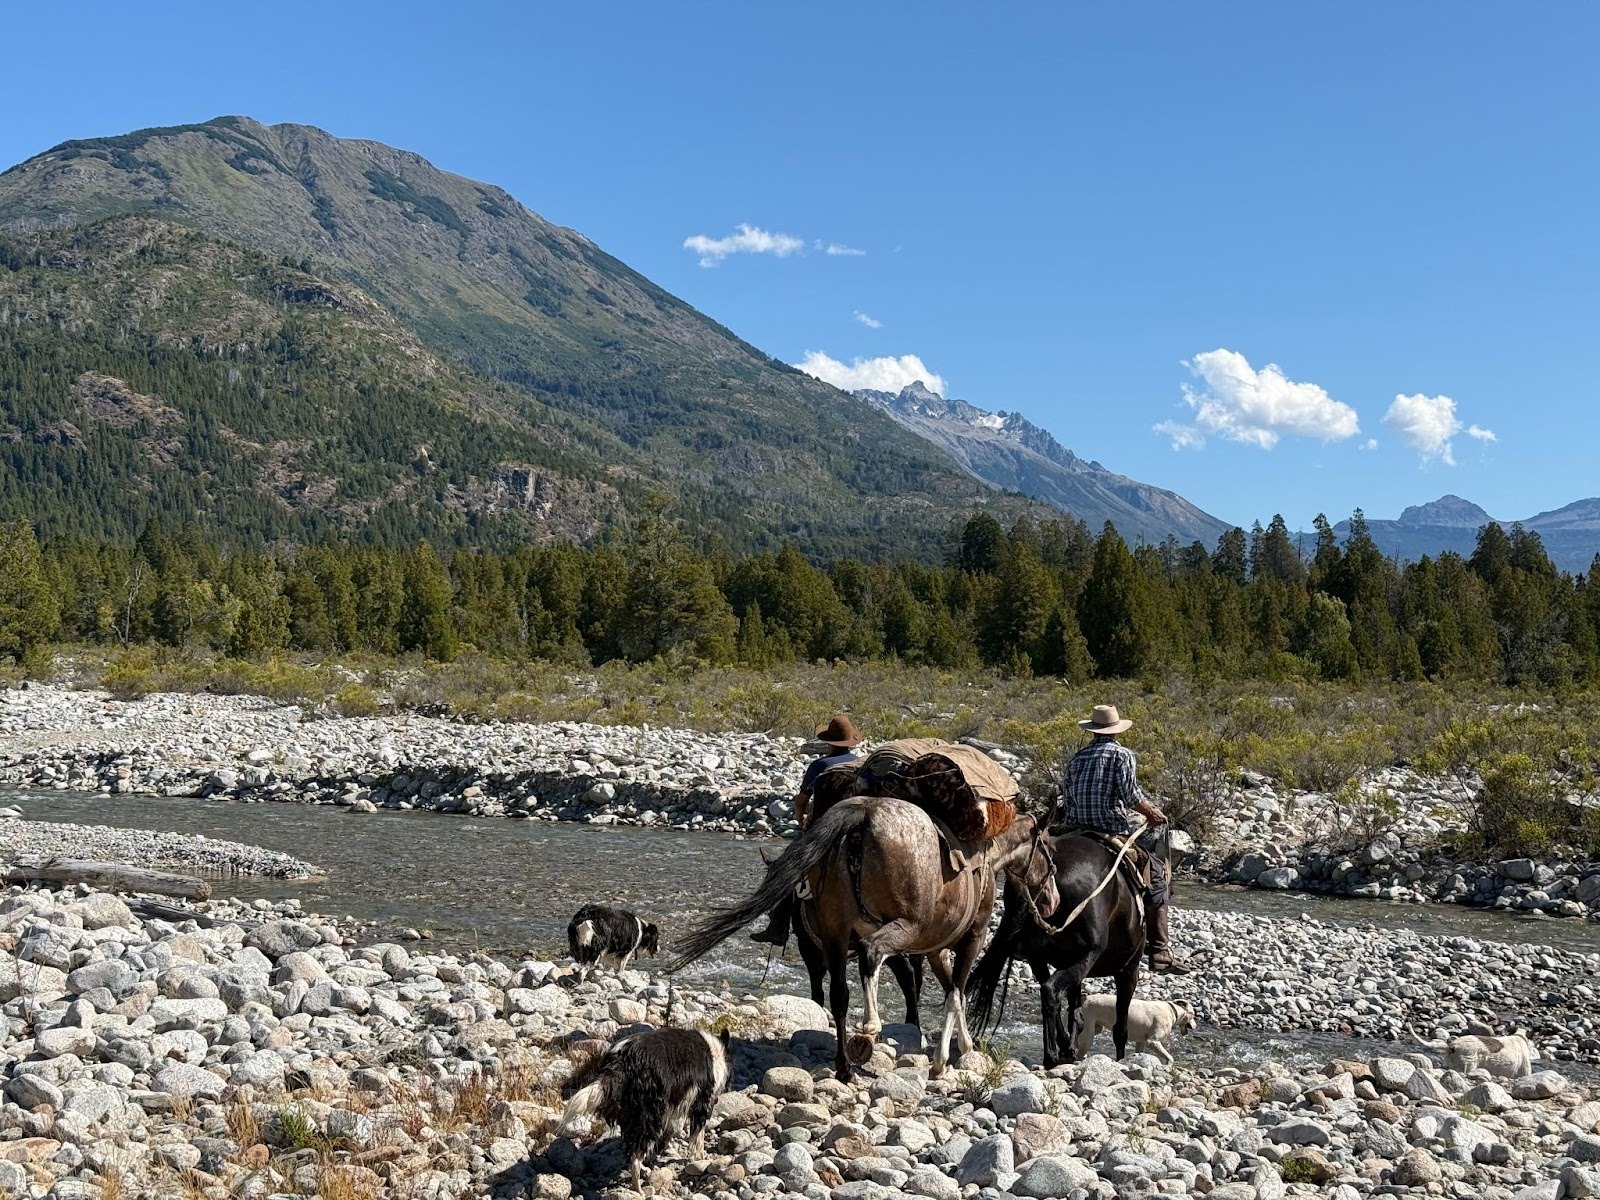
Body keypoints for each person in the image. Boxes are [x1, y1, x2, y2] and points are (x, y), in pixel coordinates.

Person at [1060, 704, 1190, 975]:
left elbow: (1068, 798)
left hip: (1074, 829)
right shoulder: (1122, 755)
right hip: (1109, 829)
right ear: (1116, 730)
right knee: (1155, 874)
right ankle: (1160, 950)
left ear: (1093, 730)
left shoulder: (1076, 758)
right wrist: (1153, 813)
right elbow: (1130, 794)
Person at [750, 714, 865, 946]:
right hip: (858, 830)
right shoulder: (862, 764)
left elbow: (801, 802)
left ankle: (777, 927)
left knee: (783, 869)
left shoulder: (820, 766)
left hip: (824, 832)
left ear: (830, 743)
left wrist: (801, 819)